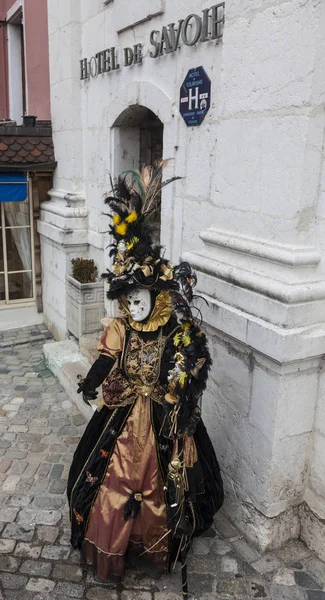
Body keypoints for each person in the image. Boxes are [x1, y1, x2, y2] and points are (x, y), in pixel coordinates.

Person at [67, 163, 224, 597]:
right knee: (107, 478)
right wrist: (91, 381)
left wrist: (182, 407)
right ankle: (115, 540)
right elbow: (107, 359)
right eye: (127, 300)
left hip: (161, 414)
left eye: (139, 299)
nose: (133, 307)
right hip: (122, 413)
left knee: (164, 481)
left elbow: (191, 370)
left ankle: (155, 541)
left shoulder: (174, 331)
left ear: (155, 296)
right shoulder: (122, 329)